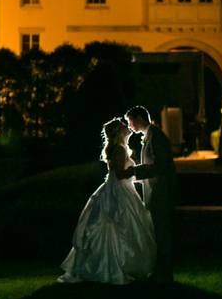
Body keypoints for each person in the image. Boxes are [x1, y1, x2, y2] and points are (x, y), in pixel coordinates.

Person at [59, 118, 156, 284]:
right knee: (118, 225)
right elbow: (119, 174)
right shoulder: (119, 149)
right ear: (119, 132)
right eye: (124, 127)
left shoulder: (119, 148)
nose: (127, 128)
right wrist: (135, 171)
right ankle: (115, 268)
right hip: (119, 191)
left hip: (115, 188)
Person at [125, 105, 176, 283]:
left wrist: (135, 172)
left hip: (160, 192)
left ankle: (165, 274)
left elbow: (160, 165)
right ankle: (161, 272)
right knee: (158, 232)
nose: (129, 126)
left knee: (162, 232)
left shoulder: (156, 136)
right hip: (155, 191)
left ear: (139, 118)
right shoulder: (151, 135)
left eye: (130, 121)